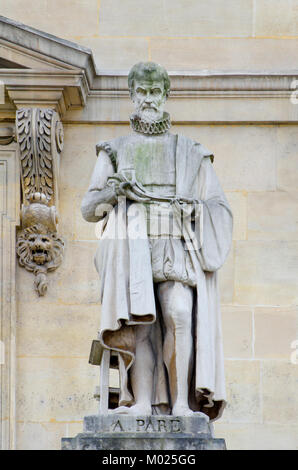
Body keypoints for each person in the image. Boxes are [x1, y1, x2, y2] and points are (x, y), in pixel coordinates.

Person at [81, 62, 233, 421]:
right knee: (141, 324)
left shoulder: (192, 151)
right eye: (142, 92)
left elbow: (219, 207)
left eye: (155, 92)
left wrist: (194, 209)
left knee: (179, 313)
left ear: (165, 95)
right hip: (132, 247)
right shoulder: (114, 150)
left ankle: (181, 404)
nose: (148, 99)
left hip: (175, 242)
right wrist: (111, 191)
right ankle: (144, 403)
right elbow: (88, 208)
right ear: (132, 95)